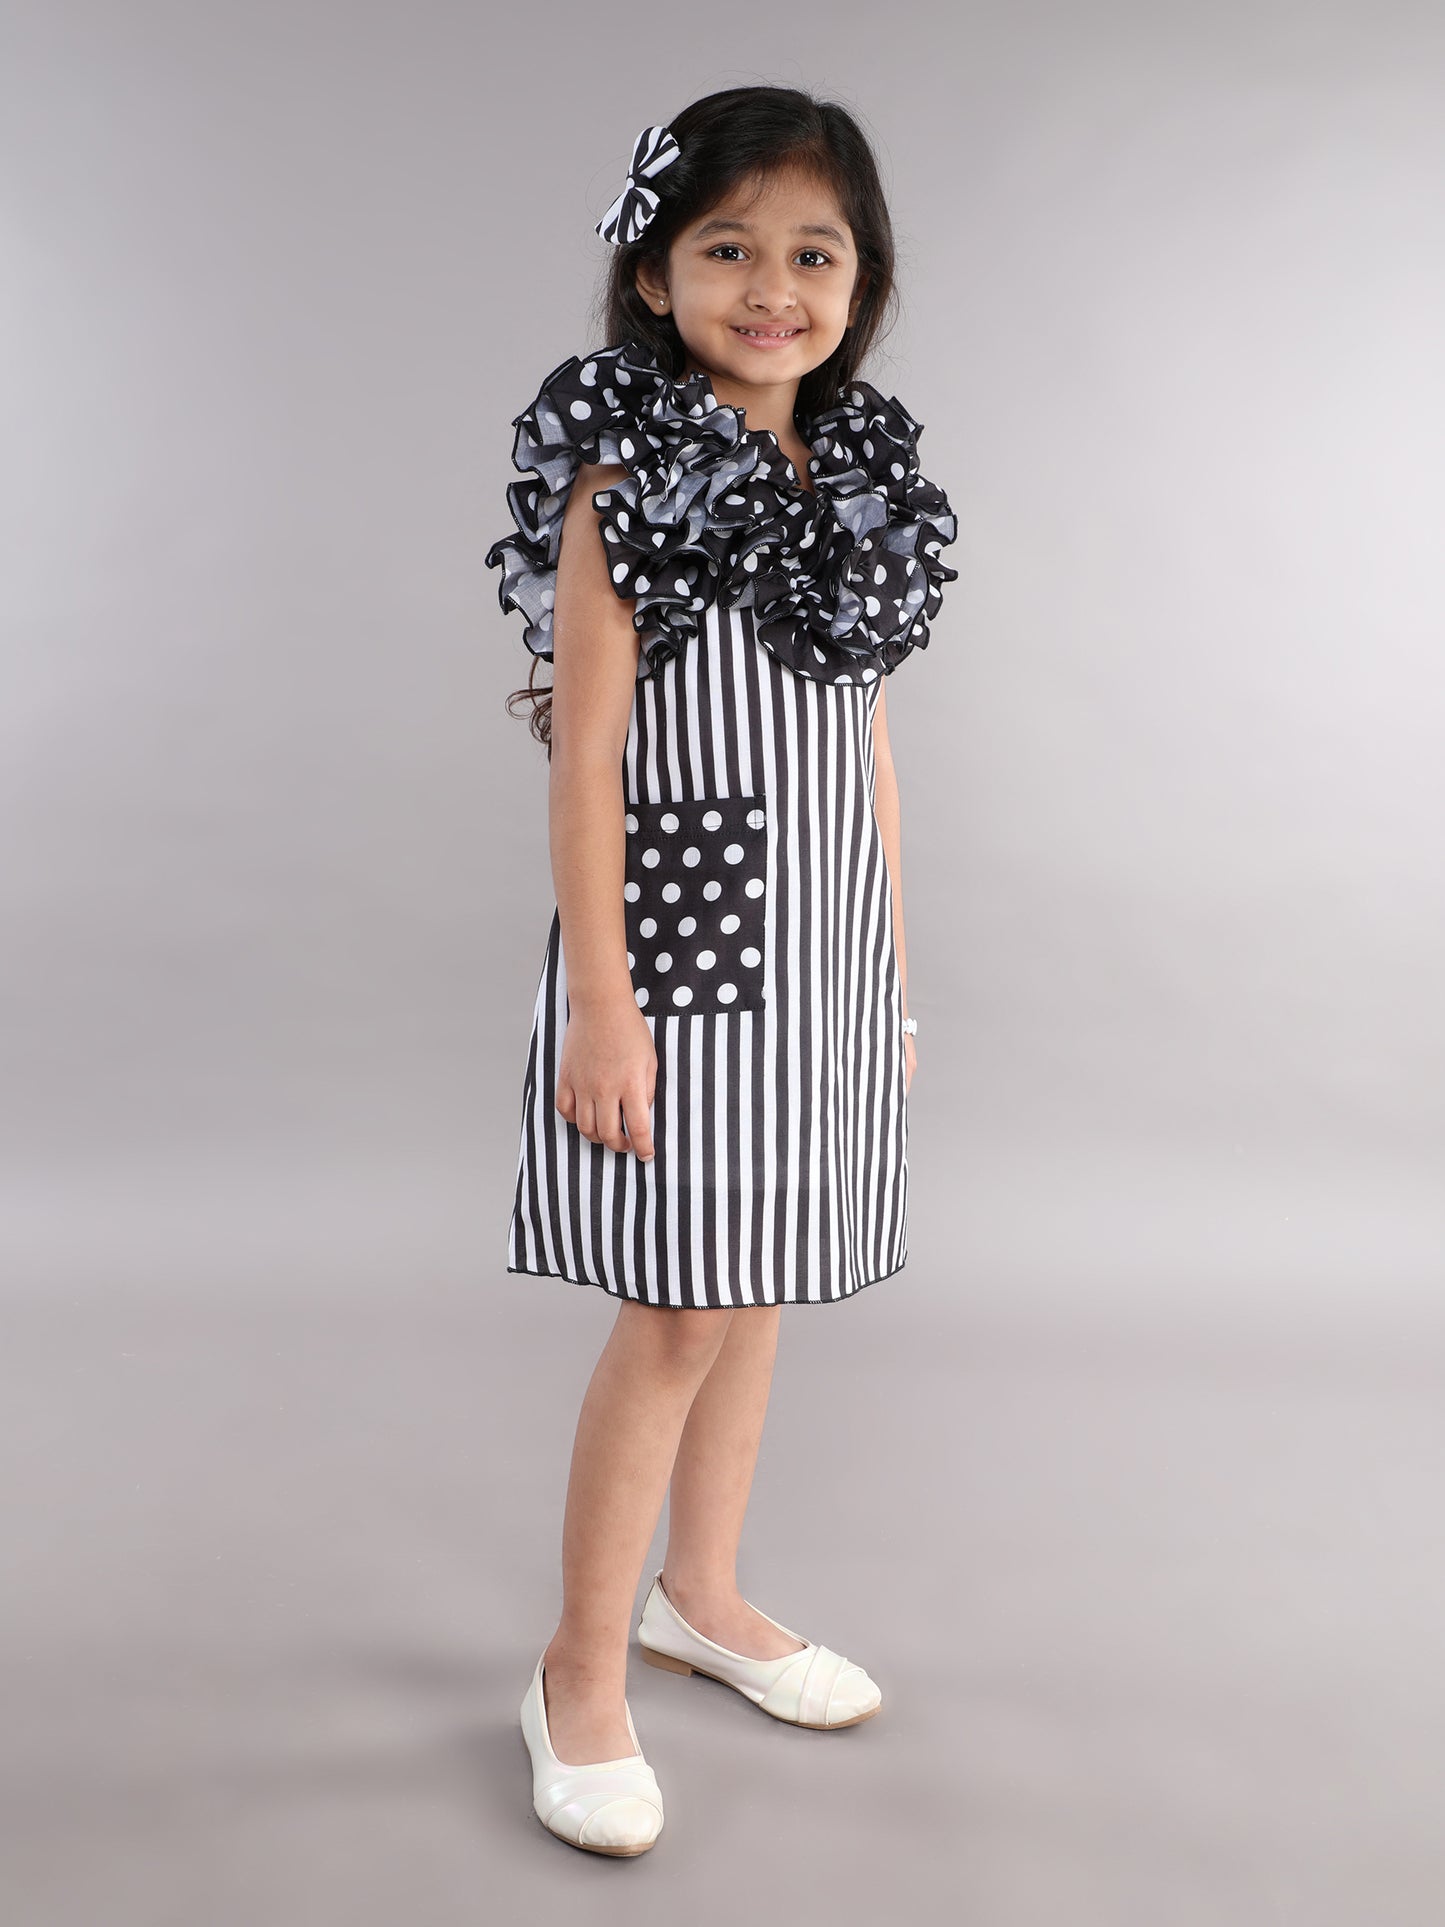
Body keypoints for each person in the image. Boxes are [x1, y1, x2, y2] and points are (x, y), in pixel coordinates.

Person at [484, 84, 959, 1857]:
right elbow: (586, 759)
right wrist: (603, 1007)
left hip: (824, 942)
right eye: (728, 249)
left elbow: (869, 745)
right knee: (680, 1304)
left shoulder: (855, 485)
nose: (772, 288)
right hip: (679, 947)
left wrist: (887, 972)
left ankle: (701, 1596)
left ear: (861, 282)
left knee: (756, 1287)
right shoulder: (626, 479)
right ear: (654, 273)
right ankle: (576, 1673)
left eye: (813, 254)